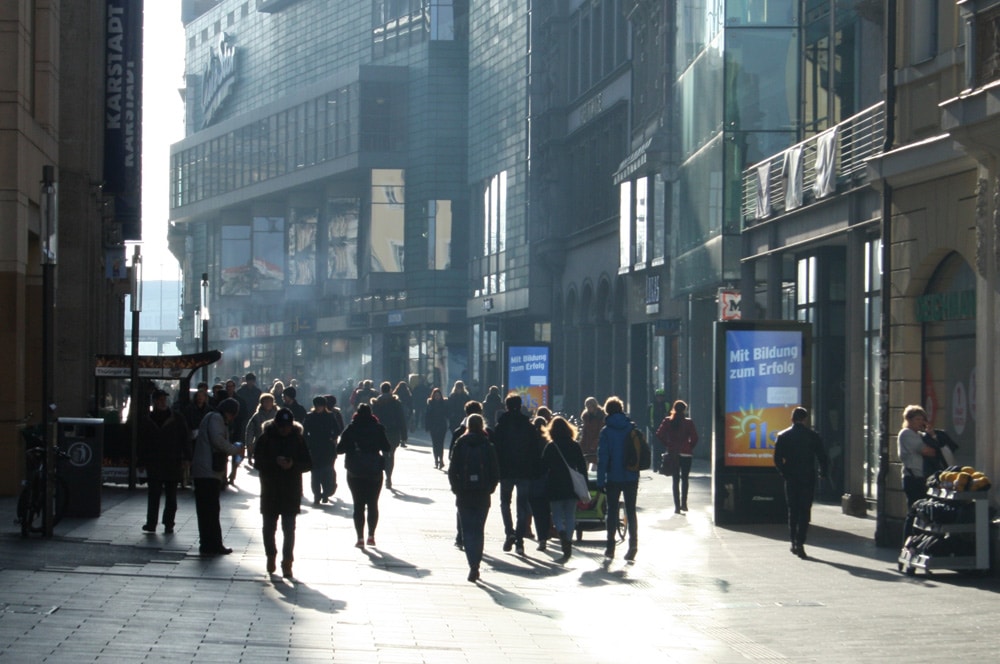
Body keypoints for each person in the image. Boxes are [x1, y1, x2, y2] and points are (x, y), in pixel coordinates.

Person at [254, 408, 312, 578]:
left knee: (289, 528)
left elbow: (308, 463)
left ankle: (287, 562)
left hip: (291, 489)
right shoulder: (266, 438)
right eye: (281, 426)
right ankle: (271, 555)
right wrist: (274, 462)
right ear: (276, 424)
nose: (284, 430)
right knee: (269, 528)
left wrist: (293, 464)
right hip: (270, 488)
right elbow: (257, 461)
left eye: (287, 426)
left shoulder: (298, 439)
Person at [448, 414, 500, 582]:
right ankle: (476, 563)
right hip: (482, 494)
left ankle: (472, 565)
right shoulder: (488, 445)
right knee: (478, 530)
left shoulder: (460, 444)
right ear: (482, 426)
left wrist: (456, 488)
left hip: (464, 493)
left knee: (467, 530)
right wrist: (490, 488)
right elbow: (495, 471)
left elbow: (452, 469)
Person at [773, 407, 829, 559]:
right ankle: (800, 541)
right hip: (807, 477)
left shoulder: (783, 436)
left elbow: (777, 459)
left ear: (792, 419)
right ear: (805, 419)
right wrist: (822, 473)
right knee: (805, 510)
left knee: (793, 510)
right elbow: (822, 456)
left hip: (791, 478)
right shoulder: (812, 436)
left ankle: (792, 541)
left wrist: (785, 473)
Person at [191, 397, 242, 556]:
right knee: (210, 509)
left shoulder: (212, 418)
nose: (232, 418)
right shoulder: (216, 418)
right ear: (228, 412)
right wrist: (234, 450)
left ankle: (209, 543)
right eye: (232, 415)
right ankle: (212, 543)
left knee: (208, 509)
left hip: (206, 471)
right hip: (207, 472)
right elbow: (218, 441)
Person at [337, 403, 392, 548]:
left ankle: (360, 538)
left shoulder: (351, 428)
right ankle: (371, 536)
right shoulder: (378, 428)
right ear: (371, 413)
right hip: (374, 471)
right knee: (373, 504)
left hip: (355, 471)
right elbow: (387, 447)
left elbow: (339, 449)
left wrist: (352, 448)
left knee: (358, 505)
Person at [492, 393, 541, 555]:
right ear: (520, 406)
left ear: (506, 406)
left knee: (505, 503)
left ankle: (509, 532)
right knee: (522, 506)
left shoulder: (501, 425)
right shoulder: (528, 426)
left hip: (506, 471)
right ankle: (520, 540)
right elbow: (535, 450)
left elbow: (496, 450)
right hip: (524, 471)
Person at [140, 389, 191, 534]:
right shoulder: (149, 419)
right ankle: (151, 523)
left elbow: (184, 438)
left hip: (172, 461)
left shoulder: (177, 418)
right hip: (154, 462)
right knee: (154, 495)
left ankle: (169, 523)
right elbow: (143, 442)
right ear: (155, 402)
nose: (163, 402)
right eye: (160, 400)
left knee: (171, 495)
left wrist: (186, 457)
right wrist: (142, 461)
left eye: (164, 399)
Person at [596, 396, 640, 560]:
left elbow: (603, 458)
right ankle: (633, 545)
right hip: (631, 475)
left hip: (613, 477)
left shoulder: (606, 431)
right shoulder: (631, 427)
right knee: (631, 510)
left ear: (607, 411)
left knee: (612, 511)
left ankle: (610, 547)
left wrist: (600, 481)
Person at [541, 416, 588, 563]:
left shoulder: (551, 446)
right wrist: (584, 483)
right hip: (571, 485)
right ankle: (568, 539)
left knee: (556, 514)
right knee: (570, 515)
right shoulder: (574, 445)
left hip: (555, 484)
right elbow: (581, 465)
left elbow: (543, 466)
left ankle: (560, 531)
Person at [655, 400, 699, 514]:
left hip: (673, 453)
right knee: (685, 478)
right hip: (686, 454)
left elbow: (659, 434)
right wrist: (689, 447)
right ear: (684, 410)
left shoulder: (667, 421)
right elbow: (695, 438)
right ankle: (684, 503)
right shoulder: (688, 422)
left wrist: (668, 444)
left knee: (675, 480)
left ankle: (677, 507)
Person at [898, 404, 938, 511]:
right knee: (914, 509)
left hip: (922, 476)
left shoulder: (919, 435)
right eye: (917, 419)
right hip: (913, 477)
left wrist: (931, 435)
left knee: (922, 510)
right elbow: (927, 451)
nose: (920, 422)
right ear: (909, 420)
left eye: (922, 419)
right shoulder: (907, 434)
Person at [303, 395, 341, 504]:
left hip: (327, 448)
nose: (318, 407)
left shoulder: (330, 416)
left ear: (324, 406)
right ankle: (317, 494)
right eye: (316, 406)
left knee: (327, 472)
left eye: (320, 405)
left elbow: (337, 430)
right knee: (315, 474)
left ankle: (325, 493)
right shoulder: (309, 416)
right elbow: (305, 431)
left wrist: (332, 437)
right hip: (314, 447)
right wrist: (307, 443)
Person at [370, 381, 407, 489]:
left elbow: (373, 420)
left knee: (384, 454)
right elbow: (401, 419)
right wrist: (404, 435)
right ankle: (389, 476)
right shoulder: (396, 402)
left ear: (381, 390)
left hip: (380, 433)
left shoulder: (376, 403)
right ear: (390, 389)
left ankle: (384, 474)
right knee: (391, 455)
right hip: (394, 432)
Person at [224, 379, 250, 485]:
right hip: (224, 430)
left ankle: (233, 474)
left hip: (237, 430)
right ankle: (224, 475)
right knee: (224, 454)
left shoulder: (240, 400)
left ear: (234, 387)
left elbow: (244, 415)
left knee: (236, 454)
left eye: (231, 386)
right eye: (228, 386)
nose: (229, 388)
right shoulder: (223, 399)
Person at [245, 393, 278, 468]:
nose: (268, 404)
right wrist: (249, 445)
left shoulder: (277, 415)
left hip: (275, 446)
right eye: (265, 402)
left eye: (270, 401)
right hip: (260, 445)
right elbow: (250, 431)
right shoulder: (257, 416)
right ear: (261, 403)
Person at [425, 387, 450, 469]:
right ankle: (436, 460)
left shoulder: (444, 403)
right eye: (435, 395)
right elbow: (427, 416)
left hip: (442, 426)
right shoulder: (430, 403)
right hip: (433, 426)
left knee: (440, 443)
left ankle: (441, 460)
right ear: (433, 396)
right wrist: (427, 426)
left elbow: (447, 414)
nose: (437, 397)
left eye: (438, 395)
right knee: (435, 444)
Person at [647, 389, 670, 472]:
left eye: (661, 396)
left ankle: (662, 465)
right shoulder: (651, 406)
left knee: (663, 448)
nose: (660, 398)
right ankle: (655, 466)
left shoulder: (667, 405)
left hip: (665, 431)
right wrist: (651, 429)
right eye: (658, 396)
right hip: (655, 430)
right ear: (656, 397)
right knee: (656, 448)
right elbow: (648, 419)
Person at [579, 397, 604, 464]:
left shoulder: (601, 416)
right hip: (588, 443)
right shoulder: (586, 417)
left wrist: (595, 443)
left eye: (590, 406)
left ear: (594, 406)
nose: (588, 408)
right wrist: (581, 445)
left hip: (596, 445)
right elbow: (584, 432)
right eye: (587, 406)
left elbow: (601, 432)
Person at [392, 381, 413, 446]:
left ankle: (398, 438)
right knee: (404, 425)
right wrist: (411, 412)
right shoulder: (407, 393)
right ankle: (403, 440)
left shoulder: (395, 393)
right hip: (405, 410)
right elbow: (410, 403)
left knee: (397, 425)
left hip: (396, 411)